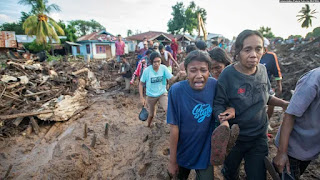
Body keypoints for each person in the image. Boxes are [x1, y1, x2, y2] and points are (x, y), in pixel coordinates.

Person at [213, 30, 289, 180]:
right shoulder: (227, 75)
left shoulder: (262, 70)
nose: (253, 54)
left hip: (258, 138)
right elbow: (218, 105)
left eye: (258, 49)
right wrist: (224, 122)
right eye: (247, 49)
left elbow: (266, 96)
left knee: (257, 175)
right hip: (235, 139)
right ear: (238, 52)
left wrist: (284, 103)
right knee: (230, 174)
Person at [167, 50, 235, 180]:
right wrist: (172, 161)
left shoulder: (214, 85)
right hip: (184, 149)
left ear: (209, 71)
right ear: (186, 71)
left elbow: (222, 104)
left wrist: (230, 109)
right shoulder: (176, 91)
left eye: (203, 70)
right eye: (193, 70)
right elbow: (174, 128)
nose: (199, 75)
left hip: (205, 151)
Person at [273, 67, 320, 180]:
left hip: (313, 146)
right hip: (293, 146)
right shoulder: (313, 79)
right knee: (288, 173)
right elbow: (290, 115)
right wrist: (282, 153)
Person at [139, 52, 183, 127]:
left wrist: (178, 75)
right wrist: (142, 97)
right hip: (151, 95)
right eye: (154, 62)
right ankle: (148, 125)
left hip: (162, 93)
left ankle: (174, 126)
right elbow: (141, 83)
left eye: (158, 61)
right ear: (151, 62)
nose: (156, 64)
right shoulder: (147, 71)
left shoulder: (163, 68)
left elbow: (172, 79)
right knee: (151, 114)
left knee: (168, 110)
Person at [260, 38, 283, 130]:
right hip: (252, 85)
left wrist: (279, 85)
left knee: (271, 102)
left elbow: (276, 71)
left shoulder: (270, 57)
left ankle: (267, 122)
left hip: (266, 84)